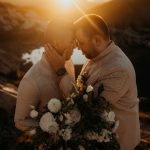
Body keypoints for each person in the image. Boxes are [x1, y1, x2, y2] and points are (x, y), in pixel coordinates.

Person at [45, 14, 141, 150]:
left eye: (81, 43)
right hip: (98, 139)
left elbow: (88, 108)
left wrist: (61, 71)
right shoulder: (97, 56)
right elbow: (81, 90)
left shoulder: (119, 70)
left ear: (97, 40)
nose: (78, 48)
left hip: (119, 143)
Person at [14, 19, 75, 131]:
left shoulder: (69, 65)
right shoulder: (31, 80)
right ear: (56, 43)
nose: (75, 46)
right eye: (71, 41)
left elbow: (74, 99)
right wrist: (52, 129)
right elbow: (20, 122)